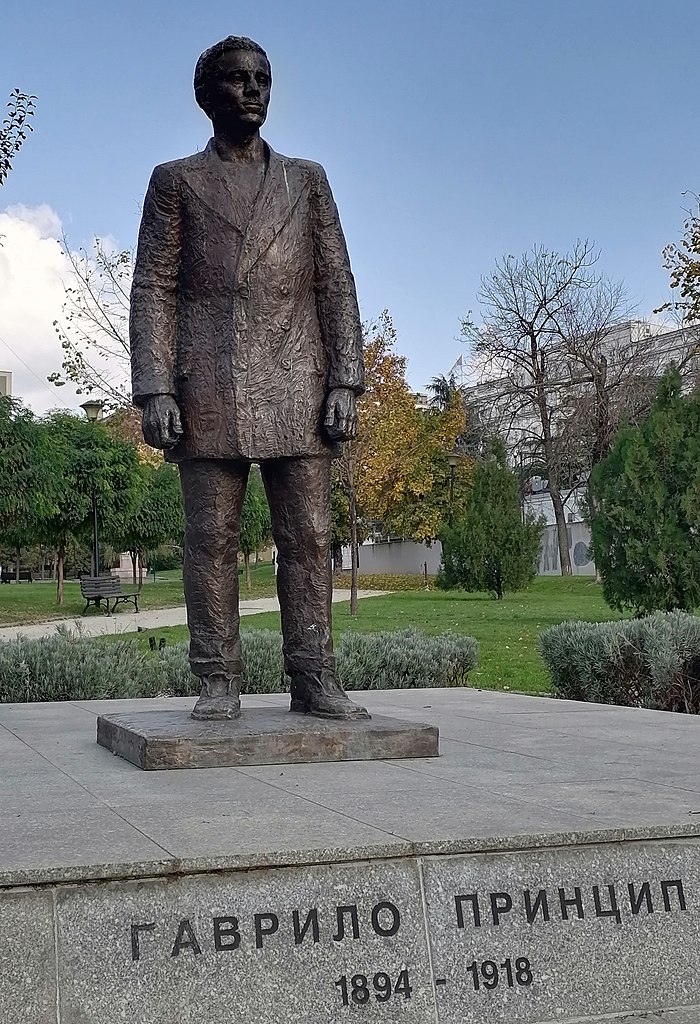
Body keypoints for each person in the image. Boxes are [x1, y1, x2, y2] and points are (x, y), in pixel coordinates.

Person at [130, 35, 369, 722]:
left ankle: (315, 676)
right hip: (209, 381)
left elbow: (336, 284)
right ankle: (217, 679)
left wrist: (346, 381)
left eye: (262, 78)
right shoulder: (175, 181)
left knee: (310, 536)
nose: (254, 90)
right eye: (238, 80)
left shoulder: (307, 179)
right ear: (208, 94)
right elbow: (154, 287)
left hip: (299, 379)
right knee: (210, 540)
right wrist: (156, 388)